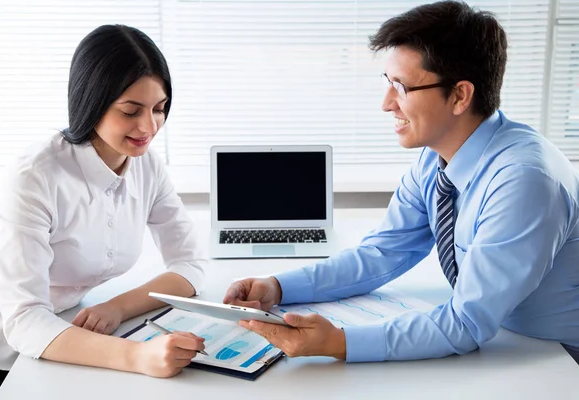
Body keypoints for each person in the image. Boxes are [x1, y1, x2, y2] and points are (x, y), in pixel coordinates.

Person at [224, 1, 579, 364]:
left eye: (401, 87)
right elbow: (382, 253)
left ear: (460, 95)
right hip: (508, 337)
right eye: (386, 83)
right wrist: (278, 286)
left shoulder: (523, 182)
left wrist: (338, 343)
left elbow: (468, 321)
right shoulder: (436, 159)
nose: (386, 103)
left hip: (558, 357)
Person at [0, 25, 208, 399]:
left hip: (66, 328)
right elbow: (22, 321)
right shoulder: (34, 177)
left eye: (159, 108)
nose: (149, 127)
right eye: (131, 110)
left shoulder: (147, 167)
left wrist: (117, 307)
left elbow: (192, 265)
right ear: (92, 101)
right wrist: (140, 357)